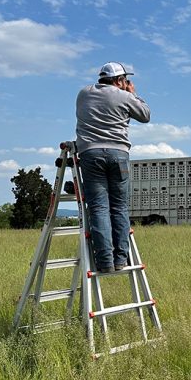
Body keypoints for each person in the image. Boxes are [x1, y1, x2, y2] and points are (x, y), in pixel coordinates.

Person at [76, 62, 150, 273]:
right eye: (125, 80)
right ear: (119, 80)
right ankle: (120, 259)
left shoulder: (83, 93)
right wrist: (133, 94)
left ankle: (105, 262)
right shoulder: (125, 96)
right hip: (118, 153)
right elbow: (145, 115)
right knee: (119, 207)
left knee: (98, 208)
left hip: (90, 153)